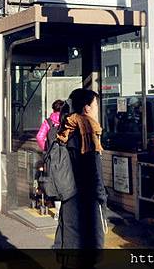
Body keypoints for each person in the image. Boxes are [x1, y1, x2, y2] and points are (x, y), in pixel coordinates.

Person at [53, 88, 107, 249]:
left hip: (69, 196)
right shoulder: (88, 132)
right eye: (96, 105)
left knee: (68, 244)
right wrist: (102, 199)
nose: (97, 110)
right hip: (86, 202)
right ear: (87, 108)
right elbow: (94, 172)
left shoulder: (65, 129)